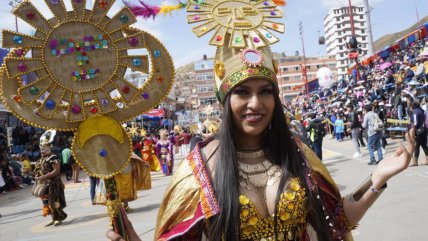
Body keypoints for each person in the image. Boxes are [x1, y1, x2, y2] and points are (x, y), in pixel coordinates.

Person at [107, 37, 416, 241]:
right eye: (242, 92)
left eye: (265, 91)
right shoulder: (199, 168)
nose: (256, 104)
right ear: (225, 100)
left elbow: (336, 222)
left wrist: (378, 177)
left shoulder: (296, 154)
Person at [34, 130, 67, 226]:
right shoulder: (41, 159)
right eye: (41, 149)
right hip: (45, 184)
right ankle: (53, 218)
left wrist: (45, 176)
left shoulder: (53, 157)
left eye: (44, 149)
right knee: (47, 202)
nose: (42, 151)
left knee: (54, 201)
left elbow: (57, 171)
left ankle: (59, 218)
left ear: (49, 149)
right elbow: (38, 171)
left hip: (54, 183)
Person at [408, 100, 428, 166]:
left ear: (413, 106)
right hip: (424, 130)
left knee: (416, 146)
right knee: (424, 145)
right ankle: (427, 160)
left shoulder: (415, 112)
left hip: (418, 131)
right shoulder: (421, 111)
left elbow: (415, 123)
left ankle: (415, 161)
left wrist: (413, 130)